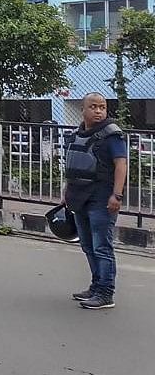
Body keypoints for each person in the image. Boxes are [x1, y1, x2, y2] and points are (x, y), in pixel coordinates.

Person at [61, 92, 129, 310]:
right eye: (93, 107)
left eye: (102, 107)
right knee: (88, 245)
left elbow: (121, 164)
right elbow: (73, 165)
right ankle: (96, 286)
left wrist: (116, 195)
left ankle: (106, 293)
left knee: (102, 247)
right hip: (79, 197)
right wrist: (66, 191)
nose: (98, 111)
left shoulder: (112, 135)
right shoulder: (77, 134)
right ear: (83, 110)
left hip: (102, 199)